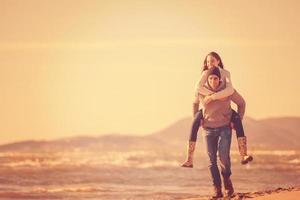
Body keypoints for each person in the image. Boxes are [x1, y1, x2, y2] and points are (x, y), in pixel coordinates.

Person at [181, 52, 252, 168]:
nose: (209, 64)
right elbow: (197, 88)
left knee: (238, 119)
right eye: (207, 62)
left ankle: (244, 154)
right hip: (207, 108)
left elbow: (230, 90)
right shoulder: (205, 73)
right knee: (194, 123)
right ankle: (189, 159)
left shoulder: (225, 73)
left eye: (212, 61)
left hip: (225, 105)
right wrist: (212, 95)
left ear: (218, 61)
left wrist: (214, 97)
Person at [200, 66, 244, 198]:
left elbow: (242, 103)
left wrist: (237, 121)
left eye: (216, 78)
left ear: (219, 80)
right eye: (211, 78)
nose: (213, 81)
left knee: (223, 157)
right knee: (211, 161)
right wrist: (198, 118)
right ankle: (217, 188)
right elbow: (194, 103)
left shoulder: (227, 91)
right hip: (208, 130)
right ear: (207, 80)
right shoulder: (202, 91)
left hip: (225, 128)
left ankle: (227, 182)